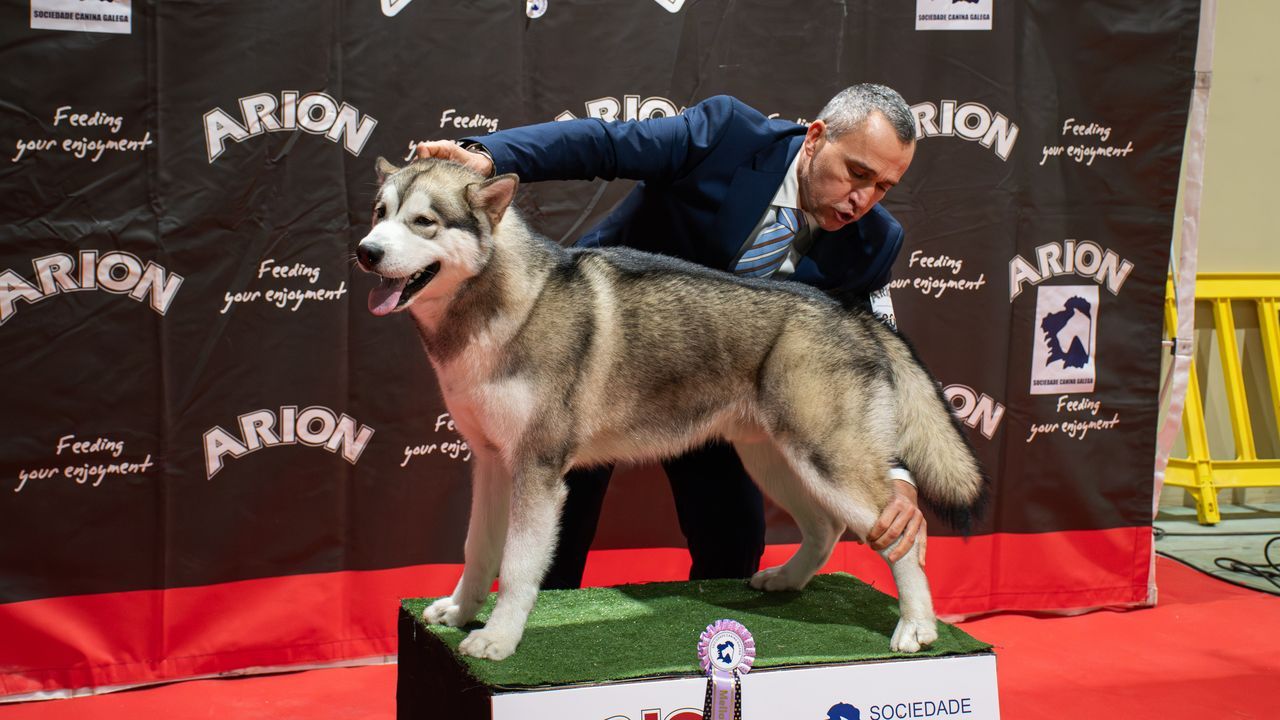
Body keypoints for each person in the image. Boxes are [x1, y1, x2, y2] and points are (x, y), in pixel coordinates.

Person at [414, 84, 927, 590]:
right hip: (597, 355)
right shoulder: (728, 136)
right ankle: (527, 647)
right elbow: (603, 142)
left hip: (718, 383)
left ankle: (721, 667)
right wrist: (488, 155)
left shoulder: (874, 243)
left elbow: (872, 359)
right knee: (551, 539)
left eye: (884, 186)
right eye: (856, 173)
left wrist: (896, 476)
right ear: (815, 138)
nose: (863, 199)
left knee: (733, 548)